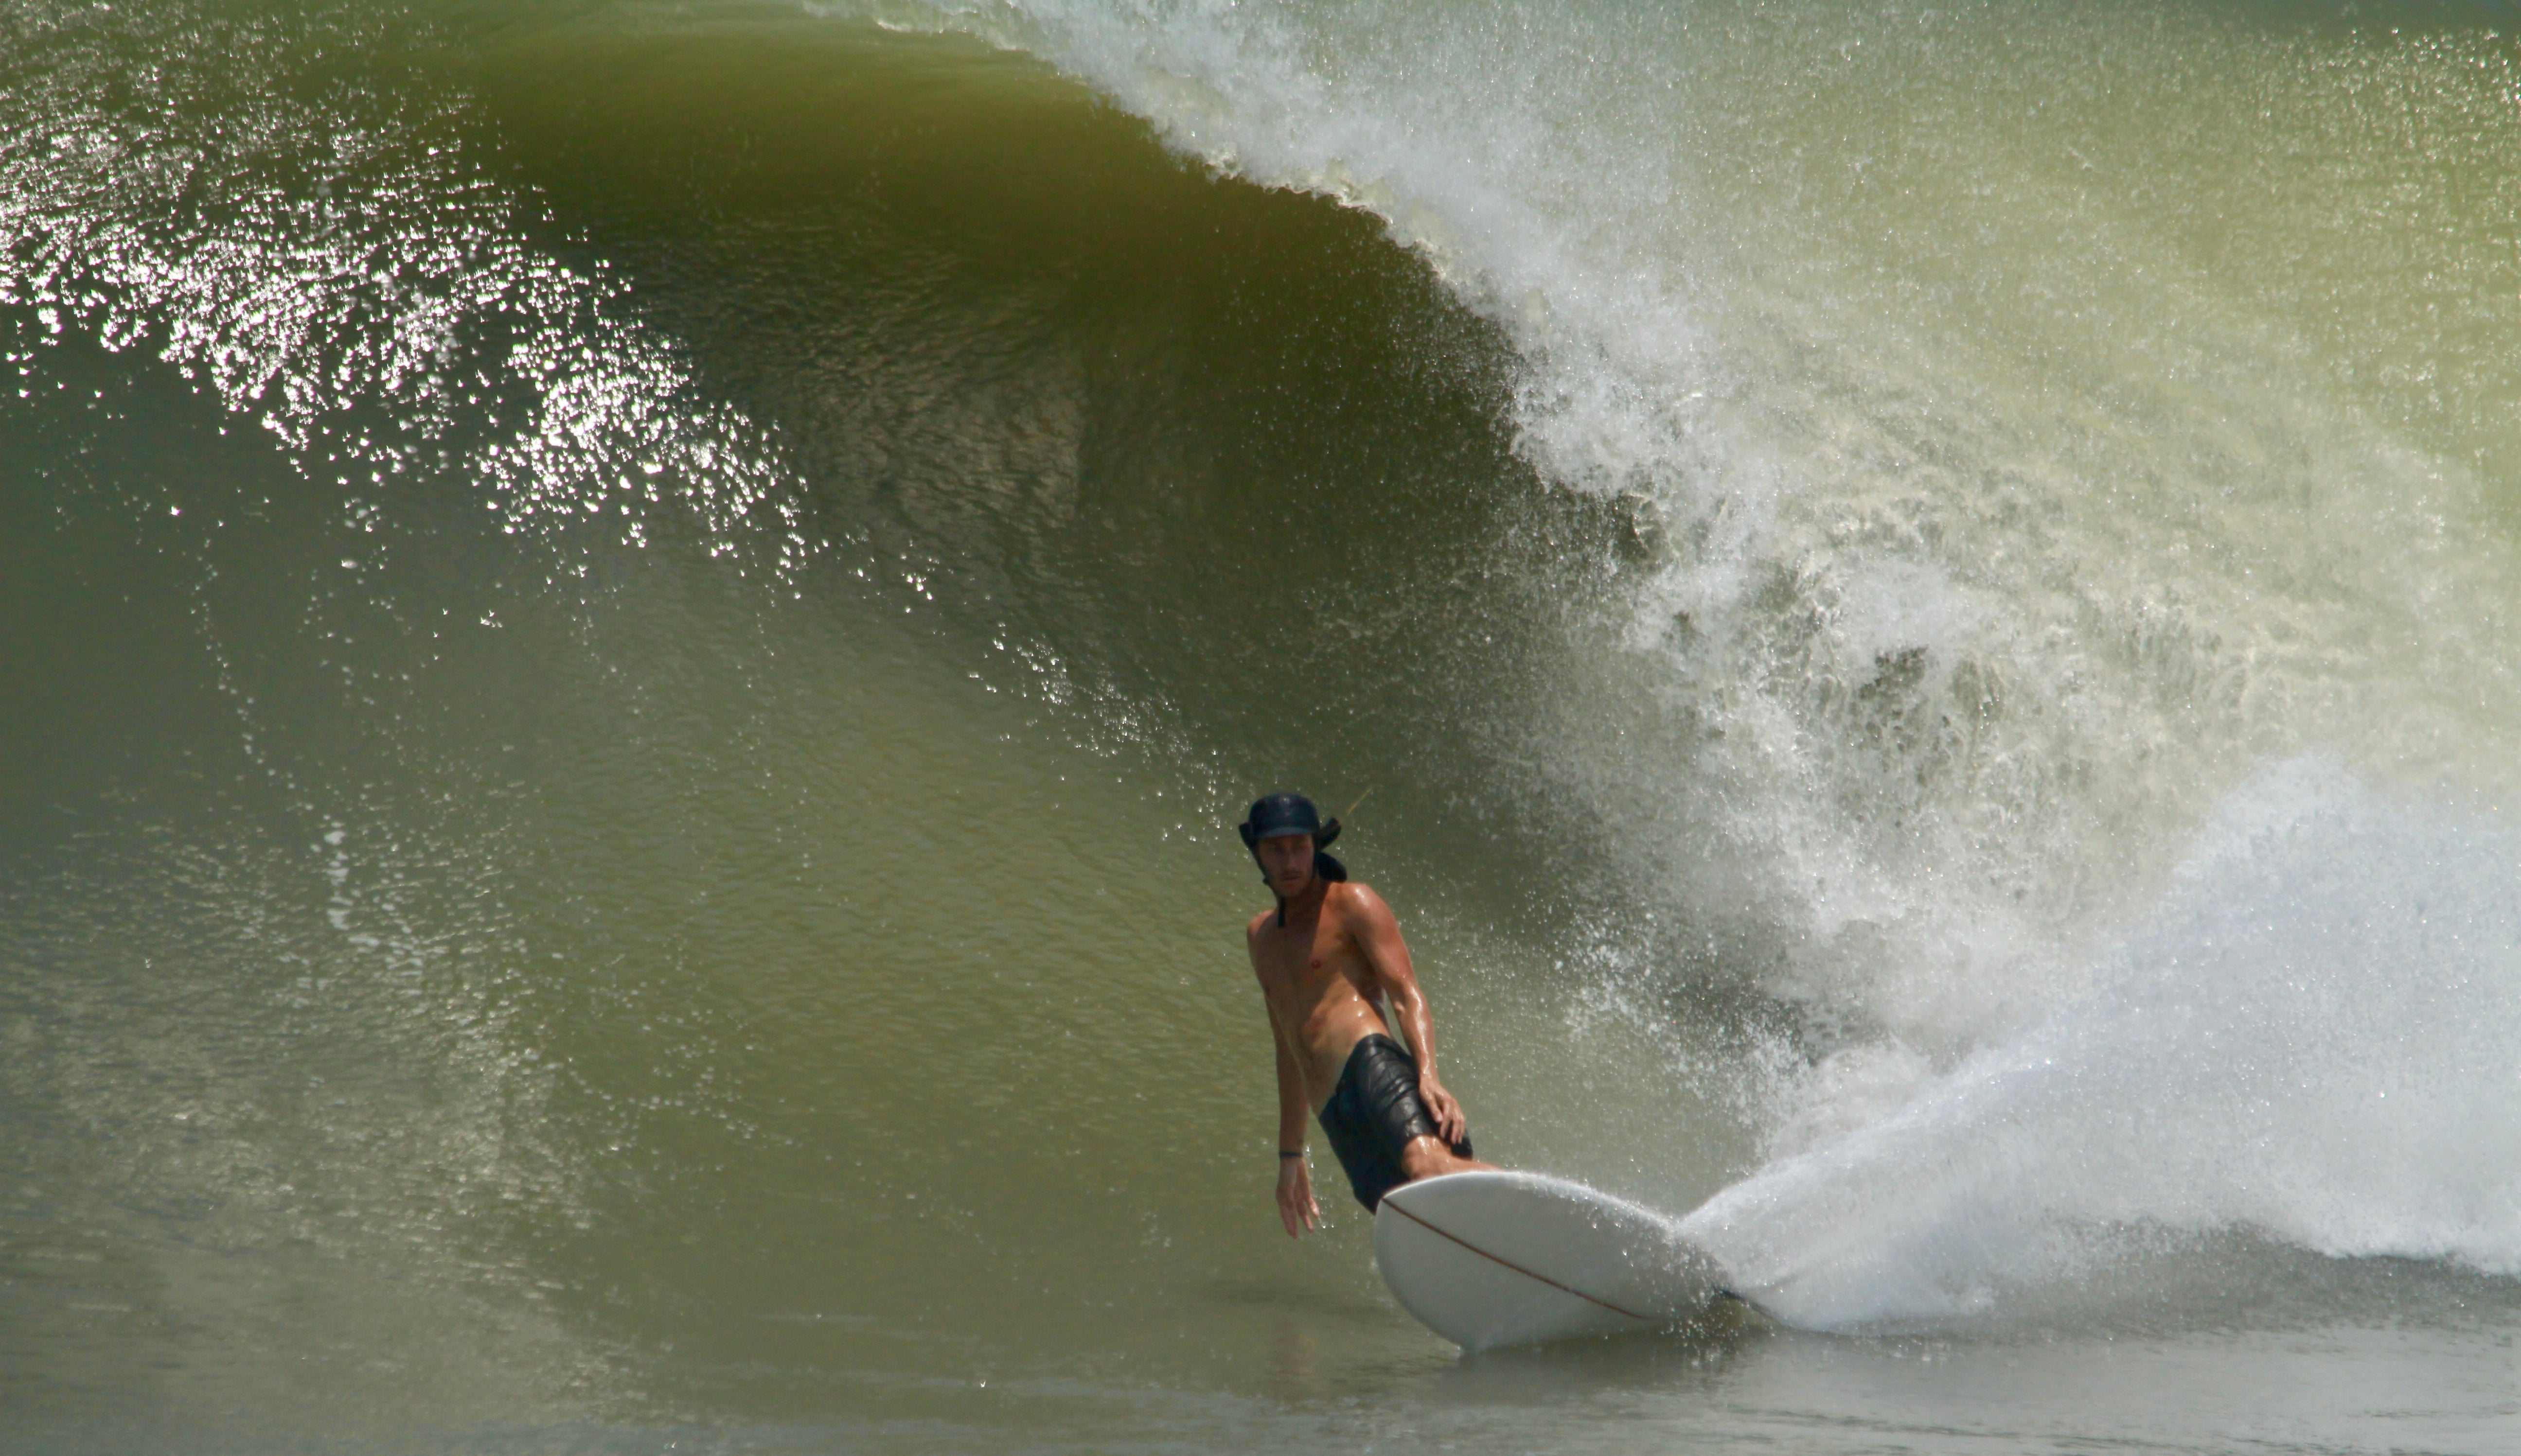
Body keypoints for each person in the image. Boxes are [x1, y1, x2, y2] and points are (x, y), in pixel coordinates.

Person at [1241, 792, 1492, 1236]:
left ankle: (1559, 1203)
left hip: (1368, 1063)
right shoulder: (1261, 937)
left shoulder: (1351, 903)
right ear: (1258, 854)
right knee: (1411, 1217)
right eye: (1276, 850)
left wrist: (1429, 1074)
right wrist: (1290, 1155)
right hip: (1332, 1109)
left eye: (1299, 846)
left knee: (1428, 1166)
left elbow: (1406, 995)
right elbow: (1287, 1049)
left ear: (1316, 847)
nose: (1290, 860)